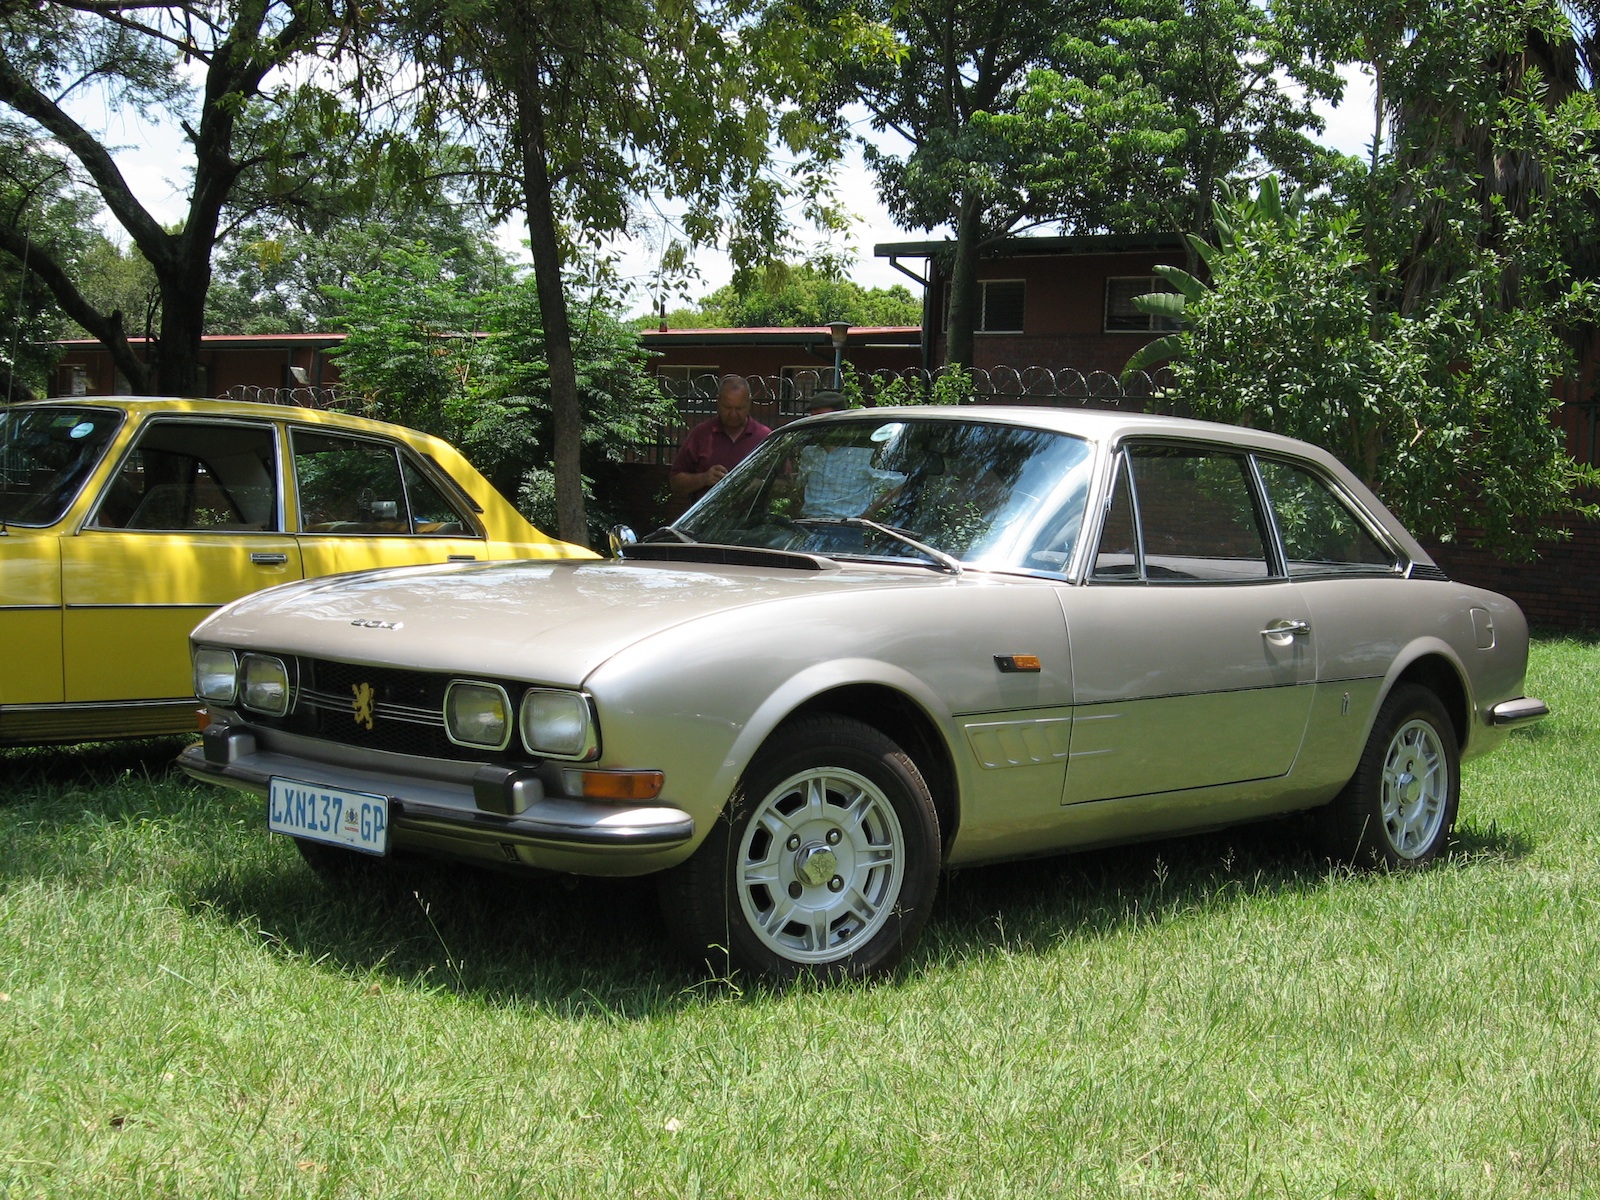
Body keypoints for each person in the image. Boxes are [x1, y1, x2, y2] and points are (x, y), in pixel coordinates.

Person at [669, 374, 771, 503]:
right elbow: (675, 482)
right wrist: (704, 479)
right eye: (727, 407)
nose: (733, 414)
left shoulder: (764, 437)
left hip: (752, 521)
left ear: (749, 403)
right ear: (718, 402)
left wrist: (760, 484)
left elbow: (787, 484)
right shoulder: (701, 434)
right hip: (708, 520)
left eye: (739, 408)